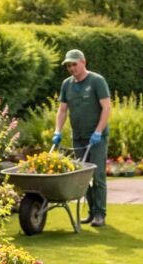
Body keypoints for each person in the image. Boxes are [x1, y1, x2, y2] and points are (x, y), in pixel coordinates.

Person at [52, 49, 112, 227]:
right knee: (82, 177)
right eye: (68, 65)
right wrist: (57, 131)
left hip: (96, 137)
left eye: (74, 64)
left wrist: (99, 131)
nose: (71, 68)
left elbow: (106, 108)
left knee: (98, 175)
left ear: (83, 62)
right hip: (78, 137)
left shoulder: (96, 81)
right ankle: (91, 212)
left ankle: (100, 213)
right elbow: (63, 110)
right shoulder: (67, 84)